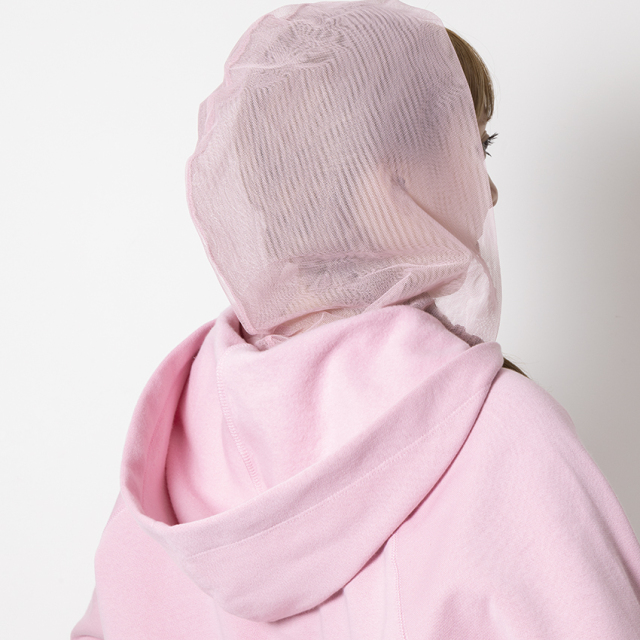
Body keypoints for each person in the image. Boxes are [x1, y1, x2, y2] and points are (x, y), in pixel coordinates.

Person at [71, 1, 640, 638]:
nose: (490, 190)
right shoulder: (503, 435)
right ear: (380, 180)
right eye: (473, 146)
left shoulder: (180, 438)